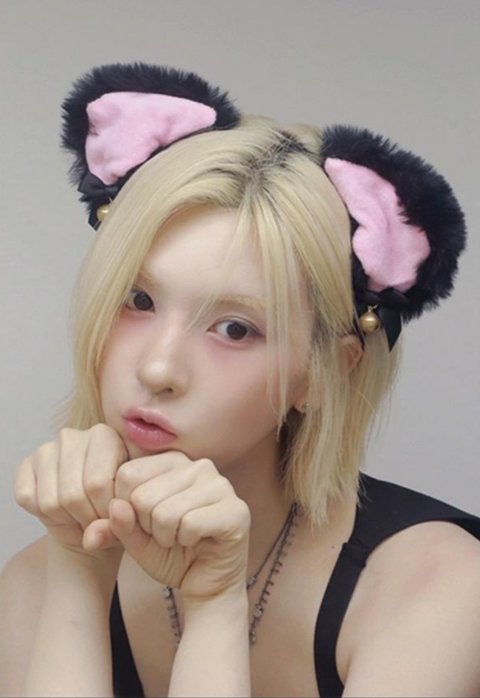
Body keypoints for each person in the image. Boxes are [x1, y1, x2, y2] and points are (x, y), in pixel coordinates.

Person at [1, 62, 479, 698]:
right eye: (138, 300)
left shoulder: (439, 588)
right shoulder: (40, 578)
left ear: (325, 373)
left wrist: (214, 609)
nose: (158, 369)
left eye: (234, 329)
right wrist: (79, 576)